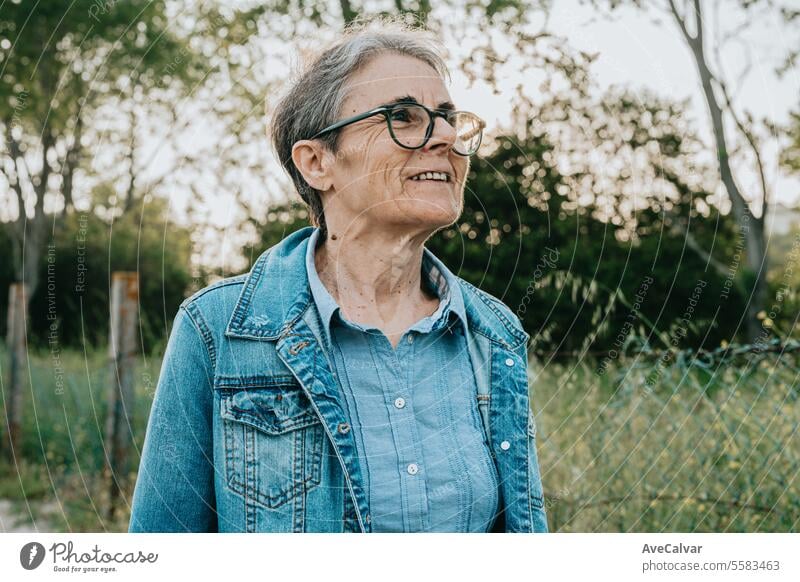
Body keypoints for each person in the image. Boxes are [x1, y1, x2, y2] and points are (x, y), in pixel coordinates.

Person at [129, 17, 547, 533]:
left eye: (446, 118)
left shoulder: (495, 333)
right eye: (403, 117)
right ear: (317, 163)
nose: (444, 137)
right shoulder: (216, 330)